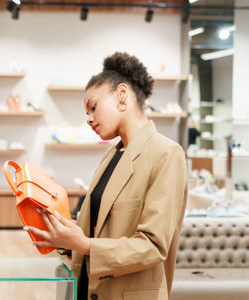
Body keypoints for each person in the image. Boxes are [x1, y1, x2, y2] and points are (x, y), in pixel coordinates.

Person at [24, 52, 188, 300]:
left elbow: (153, 247)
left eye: (93, 107)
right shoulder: (111, 156)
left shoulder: (167, 154)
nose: (89, 119)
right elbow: (94, 231)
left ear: (122, 95)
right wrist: (59, 232)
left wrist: (83, 244)